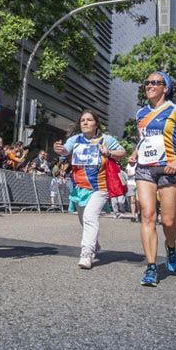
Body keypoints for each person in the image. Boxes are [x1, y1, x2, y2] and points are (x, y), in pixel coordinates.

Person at [131, 71, 176, 287]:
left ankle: (170, 246)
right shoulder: (140, 113)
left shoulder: (175, 110)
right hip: (145, 169)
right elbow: (145, 139)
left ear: (165, 88)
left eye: (155, 83)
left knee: (169, 221)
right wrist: (136, 151)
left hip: (169, 169)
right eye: (148, 83)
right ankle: (151, 267)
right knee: (148, 216)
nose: (150, 86)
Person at [53, 110, 126, 269]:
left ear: (96, 124)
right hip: (80, 188)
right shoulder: (75, 139)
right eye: (83, 120)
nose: (85, 123)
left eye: (89, 120)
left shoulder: (106, 139)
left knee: (89, 216)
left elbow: (122, 152)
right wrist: (60, 149)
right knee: (83, 220)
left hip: (100, 187)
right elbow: (66, 150)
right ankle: (95, 245)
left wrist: (110, 152)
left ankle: (86, 253)